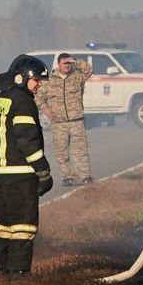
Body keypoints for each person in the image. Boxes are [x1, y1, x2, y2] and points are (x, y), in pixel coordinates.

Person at [0, 54, 53, 279]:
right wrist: (43, 172)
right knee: (24, 228)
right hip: (21, 177)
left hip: (0, 177)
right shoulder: (23, 102)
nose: (39, 84)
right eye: (36, 80)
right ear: (22, 78)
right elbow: (28, 141)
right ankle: (19, 275)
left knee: (5, 226)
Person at [35, 53, 93, 186]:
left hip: (76, 121)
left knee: (80, 151)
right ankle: (67, 177)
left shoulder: (77, 77)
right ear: (58, 64)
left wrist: (76, 61)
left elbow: (89, 70)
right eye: (64, 63)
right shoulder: (49, 80)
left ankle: (84, 176)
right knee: (62, 152)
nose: (67, 66)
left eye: (68, 63)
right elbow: (39, 98)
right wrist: (47, 111)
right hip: (59, 123)